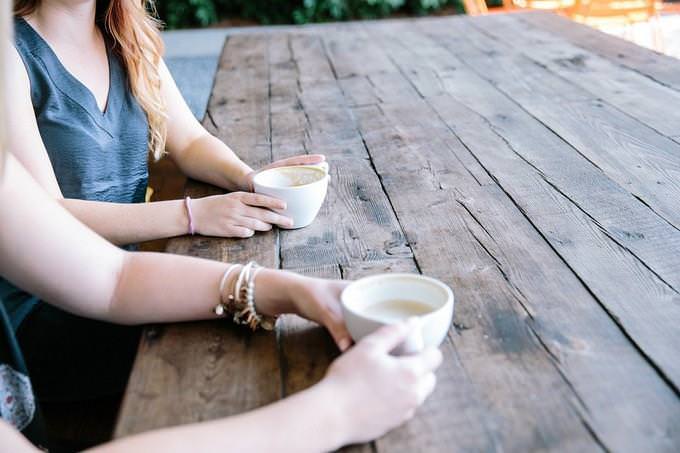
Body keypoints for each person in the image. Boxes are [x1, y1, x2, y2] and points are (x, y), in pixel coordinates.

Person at [1, 0, 324, 414]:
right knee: (212, 342)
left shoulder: (129, 39)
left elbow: (190, 143)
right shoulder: (10, 54)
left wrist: (252, 180)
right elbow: (49, 216)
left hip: (126, 283)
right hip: (40, 308)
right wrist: (192, 215)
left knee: (251, 313)